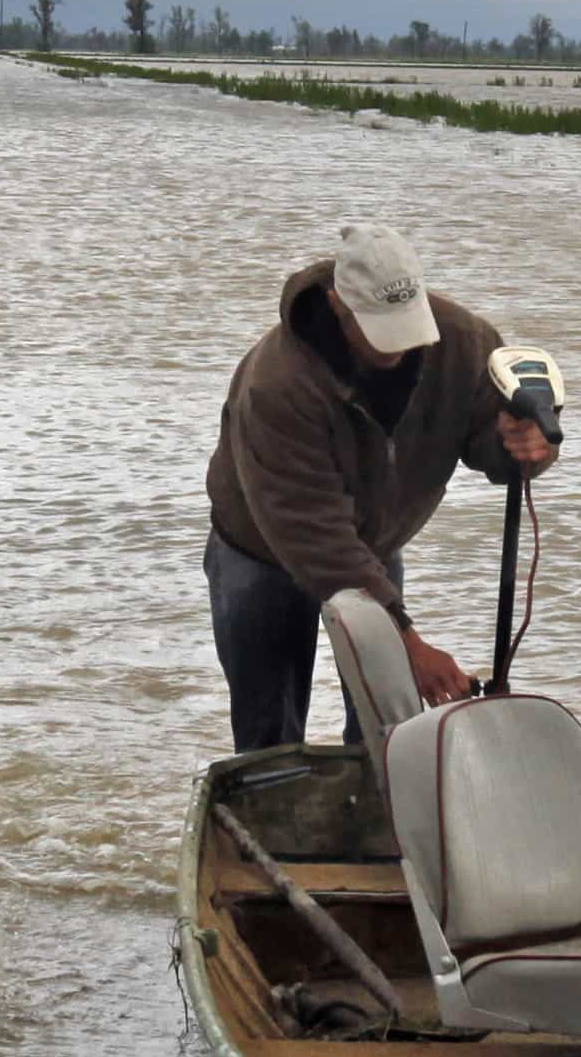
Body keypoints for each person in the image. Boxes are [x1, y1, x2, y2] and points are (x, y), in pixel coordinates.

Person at [203, 227, 556, 748]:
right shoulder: (276, 384)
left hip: (374, 545)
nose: (395, 345)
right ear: (336, 304)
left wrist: (525, 446)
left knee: (388, 731)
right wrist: (409, 642)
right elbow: (314, 535)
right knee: (267, 737)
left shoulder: (464, 342)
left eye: (405, 325)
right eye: (376, 328)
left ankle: (380, 818)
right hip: (259, 552)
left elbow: (493, 444)